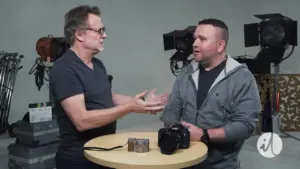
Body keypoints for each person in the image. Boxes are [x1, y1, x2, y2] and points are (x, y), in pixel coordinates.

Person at [49, 5, 168, 169]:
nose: (105, 35)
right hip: (79, 159)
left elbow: (105, 96)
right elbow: (82, 120)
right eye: (99, 31)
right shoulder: (64, 69)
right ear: (79, 35)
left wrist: (141, 103)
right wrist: (129, 107)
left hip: (103, 152)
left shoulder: (97, 65)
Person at [161, 18, 261, 169]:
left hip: (221, 164)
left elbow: (246, 125)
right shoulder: (186, 73)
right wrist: (176, 129)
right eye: (195, 38)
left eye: (202, 39)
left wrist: (205, 135)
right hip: (185, 160)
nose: (195, 44)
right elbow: (172, 108)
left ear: (220, 45)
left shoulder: (242, 77)